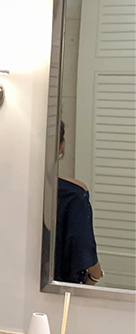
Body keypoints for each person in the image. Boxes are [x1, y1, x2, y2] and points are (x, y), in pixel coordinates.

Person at [55, 120, 103, 285]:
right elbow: (84, 251)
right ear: (61, 144)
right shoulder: (74, 194)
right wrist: (94, 277)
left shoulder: (7, 190)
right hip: (61, 291)